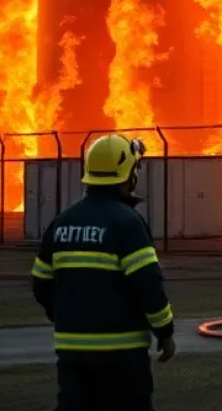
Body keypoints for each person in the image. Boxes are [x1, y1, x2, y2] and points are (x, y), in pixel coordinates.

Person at [31, 134, 176, 410]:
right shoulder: (128, 223)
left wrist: (66, 314)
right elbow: (148, 286)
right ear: (128, 176)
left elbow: (40, 283)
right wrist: (165, 332)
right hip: (122, 354)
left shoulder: (62, 223)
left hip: (72, 351)